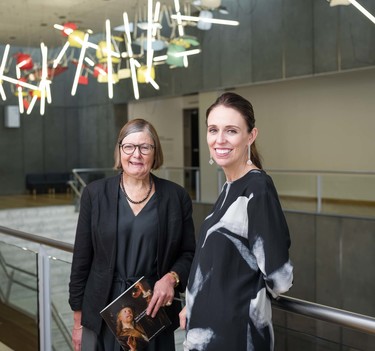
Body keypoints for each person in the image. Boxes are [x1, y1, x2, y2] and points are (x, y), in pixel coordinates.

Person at [69, 118, 196, 351]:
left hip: (151, 312)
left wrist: (172, 278)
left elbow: (189, 253)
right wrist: (78, 324)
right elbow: (81, 261)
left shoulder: (176, 197)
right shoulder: (94, 194)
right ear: (119, 151)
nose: (136, 154)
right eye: (129, 147)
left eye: (144, 147)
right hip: (101, 312)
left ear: (154, 152)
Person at [179, 92, 293, 351]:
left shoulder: (257, 188)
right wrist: (194, 303)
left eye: (231, 130)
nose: (219, 139)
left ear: (251, 136)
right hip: (206, 330)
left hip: (235, 335)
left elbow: (280, 278)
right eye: (213, 130)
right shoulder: (230, 187)